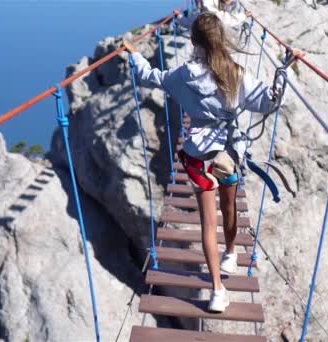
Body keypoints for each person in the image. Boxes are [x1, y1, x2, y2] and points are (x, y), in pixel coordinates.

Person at [125, 12, 298, 313]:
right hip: (227, 155)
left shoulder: (182, 76)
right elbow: (270, 101)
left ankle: (217, 290)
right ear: (221, 39)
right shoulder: (236, 74)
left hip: (197, 156)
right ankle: (231, 252)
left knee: (208, 224)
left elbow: (150, 77)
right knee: (229, 207)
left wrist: (135, 56)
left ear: (193, 42)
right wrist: (284, 69)